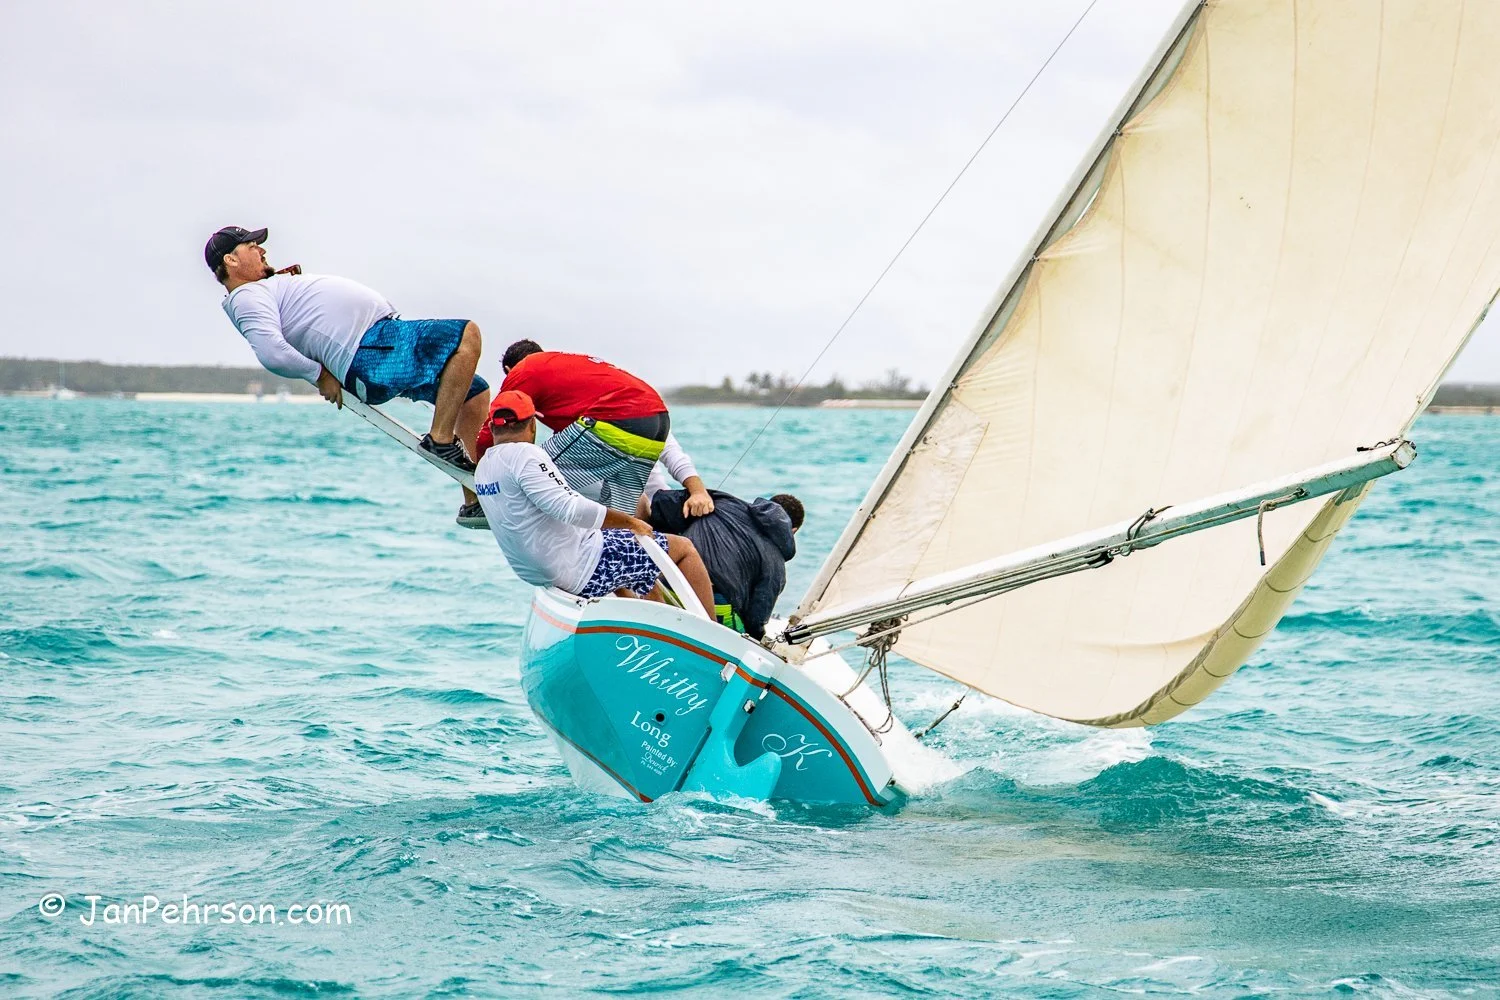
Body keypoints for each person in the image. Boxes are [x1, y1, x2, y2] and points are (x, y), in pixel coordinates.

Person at [206, 226, 491, 525]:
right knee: (466, 334)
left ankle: (474, 499)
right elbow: (271, 352)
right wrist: (319, 374)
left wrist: (284, 284)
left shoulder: (260, 291)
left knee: (474, 393)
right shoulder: (245, 296)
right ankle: (440, 438)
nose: (262, 250)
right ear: (231, 261)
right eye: (252, 246)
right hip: (372, 352)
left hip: (381, 348)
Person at [474, 390, 715, 611]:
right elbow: (571, 509)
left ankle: (654, 627)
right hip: (581, 568)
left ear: (493, 428)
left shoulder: (483, 467)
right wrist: (631, 523)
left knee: (637, 563)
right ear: (532, 425)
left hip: (538, 572)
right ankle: (712, 637)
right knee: (683, 549)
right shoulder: (526, 455)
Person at [472, 340, 713, 518]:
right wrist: (696, 491)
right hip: (656, 419)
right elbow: (662, 454)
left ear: (509, 371)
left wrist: (480, 476)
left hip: (617, 422)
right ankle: (649, 566)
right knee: (628, 518)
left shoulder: (524, 371)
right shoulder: (579, 380)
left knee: (531, 467)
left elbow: (489, 433)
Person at [648, 488, 804, 640]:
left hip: (665, 584)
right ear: (793, 531)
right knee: (747, 637)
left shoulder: (721, 501)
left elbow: (662, 502)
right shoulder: (776, 565)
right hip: (709, 607)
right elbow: (756, 620)